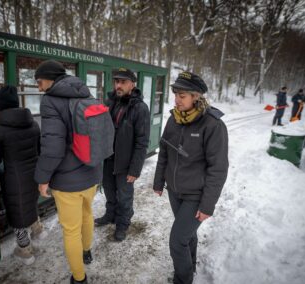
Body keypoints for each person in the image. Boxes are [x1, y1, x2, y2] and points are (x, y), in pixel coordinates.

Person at [153, 71, 229, 284]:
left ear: (197, 97)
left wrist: (207, 205)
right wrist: (159, 182)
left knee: (177, 241)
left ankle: (183, 279)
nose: (176, 100)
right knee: (187, 236)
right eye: (176, 94)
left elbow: (218, 168)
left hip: (196, 195)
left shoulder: (212, 125)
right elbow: (165, 152)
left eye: (182, 95)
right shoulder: (173, 119)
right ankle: (191, 267)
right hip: (175, 192)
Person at [34, 60, 101, 284]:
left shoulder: (50, 101)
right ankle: (86, 251)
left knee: (71, 230)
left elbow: (53, 148)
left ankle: (79, 278)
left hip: (66, 179)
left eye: (39, 81)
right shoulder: (86, 94)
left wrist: (42, 178)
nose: (38, 87)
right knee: (87, 214)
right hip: (91, 171)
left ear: (50, 79)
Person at [0, 85, 46, 266]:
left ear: (0, 106)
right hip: (34, 174)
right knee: (29, 202)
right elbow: (39, 150)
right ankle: (37, 229)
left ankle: (25, 250)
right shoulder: (33, 123)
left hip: (13, 178)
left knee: (16, 211)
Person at [94, 68, 150, 242]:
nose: (118, 85)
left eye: (123, 82)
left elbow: (142, 141)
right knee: (110, 191)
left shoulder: (140, 108)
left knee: (124, 196)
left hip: (125, 163)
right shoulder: (111, 102)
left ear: (132, 84)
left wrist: (135, 169)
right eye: (116, 81)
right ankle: (110, 215)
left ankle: (123, 224)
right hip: (109, 159)